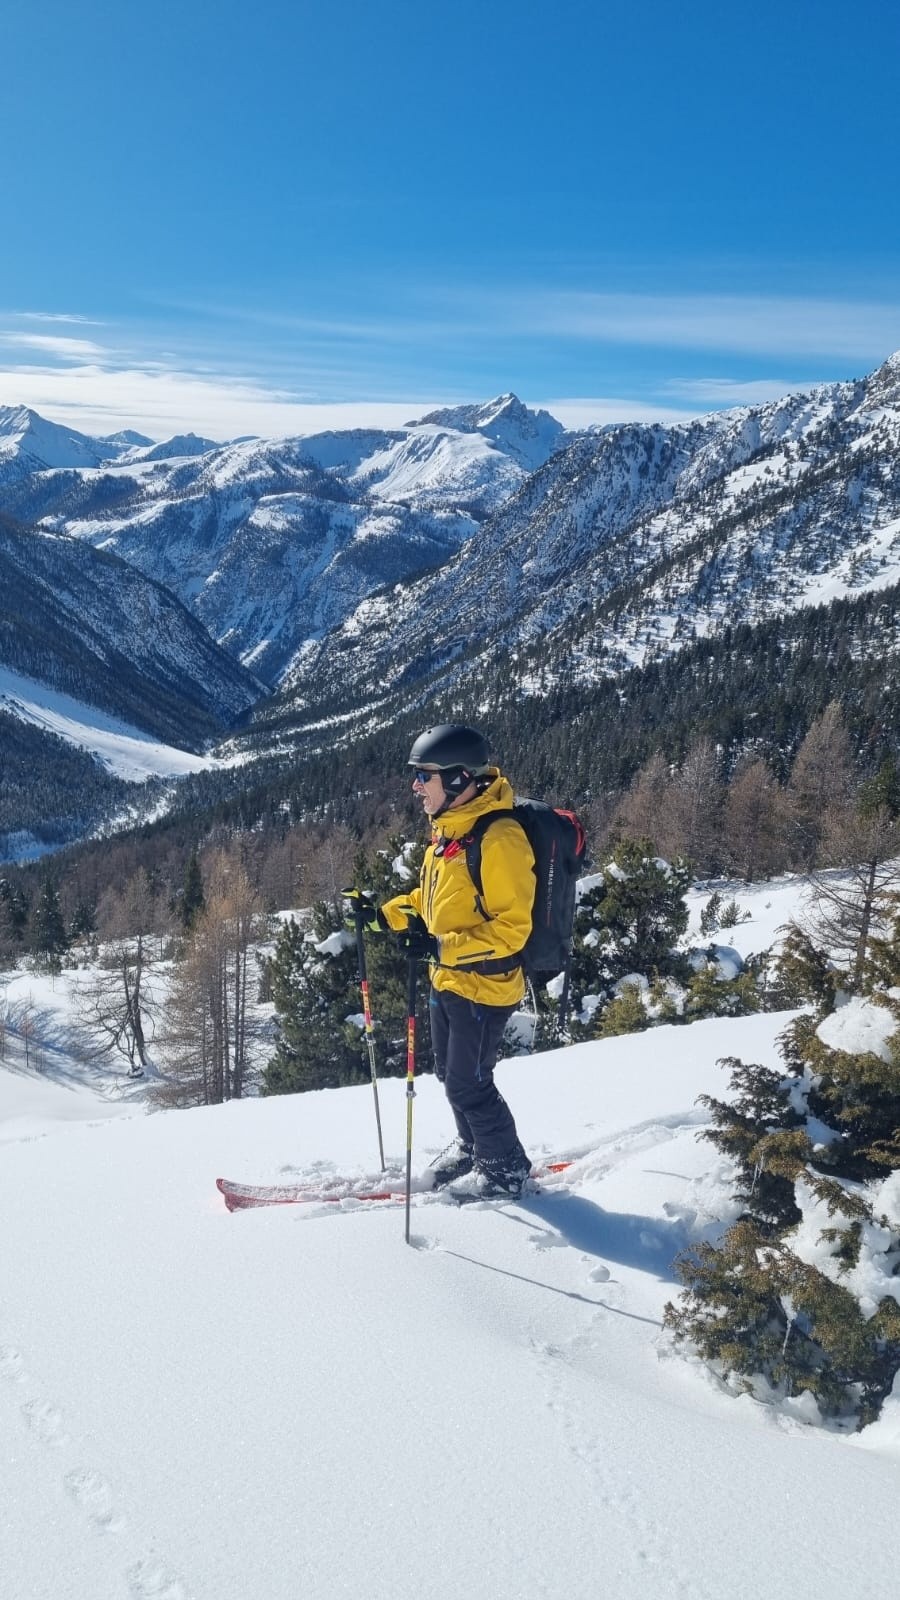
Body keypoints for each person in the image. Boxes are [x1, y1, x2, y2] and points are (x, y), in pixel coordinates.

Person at [380, 724, 535, 1197]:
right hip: (447, 981)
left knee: (470, 1084)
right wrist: (383, 915)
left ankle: (505, 1168)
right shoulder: (449, 833)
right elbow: (434, 903)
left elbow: (513, 929)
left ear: (456, 779)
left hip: (483, 988)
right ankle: (474, 1148)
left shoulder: (499, 839)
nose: (415, 786)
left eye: (423, 776)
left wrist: (443, 948)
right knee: (450, 1077)